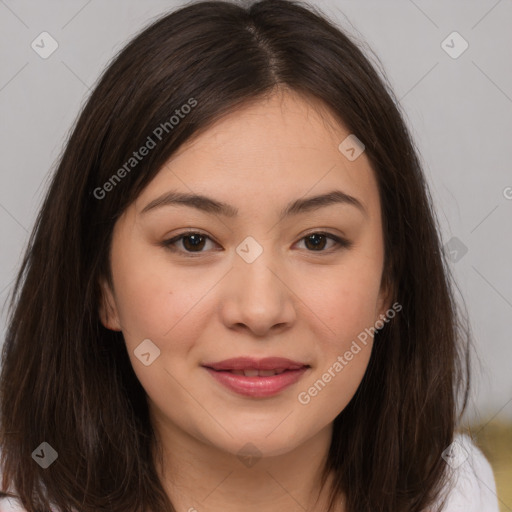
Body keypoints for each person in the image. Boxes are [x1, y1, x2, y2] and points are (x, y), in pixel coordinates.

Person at [0, 1, 500, 511]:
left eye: (317, 240)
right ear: (102, 285)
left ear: (388, 283)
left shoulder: (458, 490)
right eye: (192, 241)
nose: (260, 311)